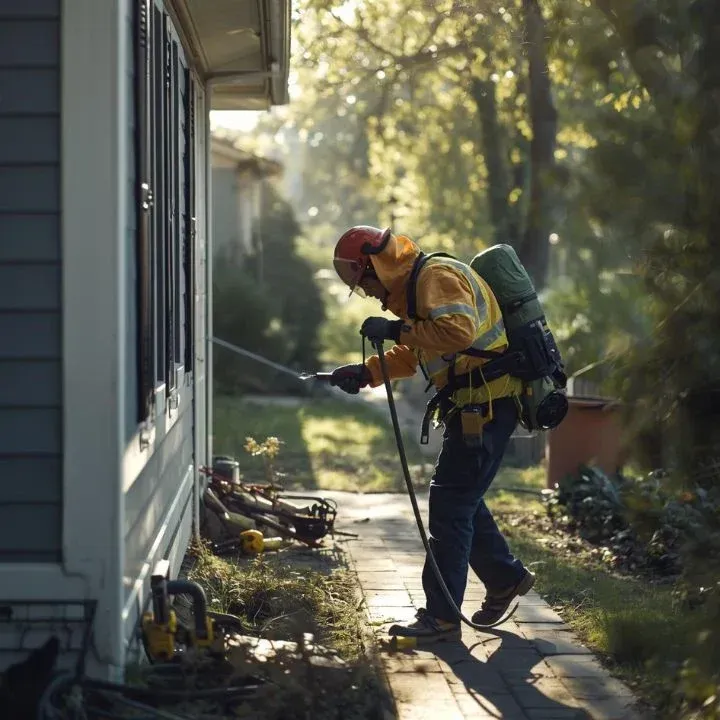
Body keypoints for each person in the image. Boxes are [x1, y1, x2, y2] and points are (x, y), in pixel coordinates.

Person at [330, 225, 535, 641]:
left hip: (490, 404)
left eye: (363, 282)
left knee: (450, 504)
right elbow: (421, 350)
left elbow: (456, 334)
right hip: (476, 404)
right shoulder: (414, 289)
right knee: (462, 500)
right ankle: (504, 578)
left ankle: (441, 618)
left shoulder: (434, 277)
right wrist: (366, 372)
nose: (367, 293)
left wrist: (393, 330)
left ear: (374, 264)